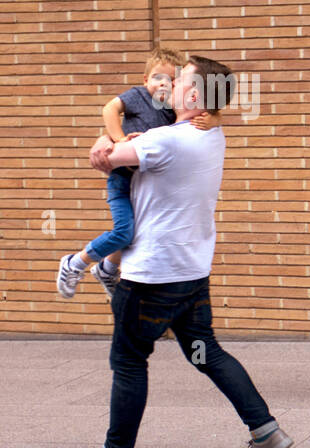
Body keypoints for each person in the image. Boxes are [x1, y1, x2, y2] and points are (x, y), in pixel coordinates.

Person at [61, 56, 291, 448]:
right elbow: (124, 148)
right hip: (191, 271)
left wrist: (103, 142)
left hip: (151, 276)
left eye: (180, 80)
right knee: (207, 351)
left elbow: (110, 157)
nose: (168, 86)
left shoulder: (167, 140)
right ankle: (266, 432)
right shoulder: (212, 134)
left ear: (197, 95)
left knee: (129, 361)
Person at [56, 46, 214, 300]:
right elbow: (109, 109)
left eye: (172, 80)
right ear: (145, 80)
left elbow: (210, 110)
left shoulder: (173, 109)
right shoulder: (139, 96)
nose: (164, 84)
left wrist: (214, 121)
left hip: (143, 182)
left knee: (135, 230)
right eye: (157, 78)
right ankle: (75, 262)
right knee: (124, 232)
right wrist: (116, 140)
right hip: (122, 180)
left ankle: (107, 269)